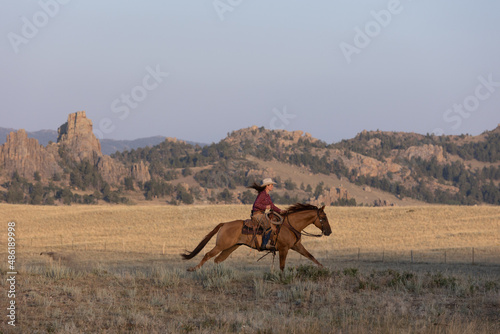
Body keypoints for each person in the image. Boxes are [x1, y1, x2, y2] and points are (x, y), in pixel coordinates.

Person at [248, 178, 283, 250]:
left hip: (262, 213)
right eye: (271, 185)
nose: (272, 186)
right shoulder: (262, 194)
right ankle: (264, 244)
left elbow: (272, 206)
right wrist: (265, 206)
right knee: (268, 225)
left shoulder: (267, 195)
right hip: (257, 214)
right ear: (267, 186)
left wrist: (281, 211)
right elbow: (256, 204)